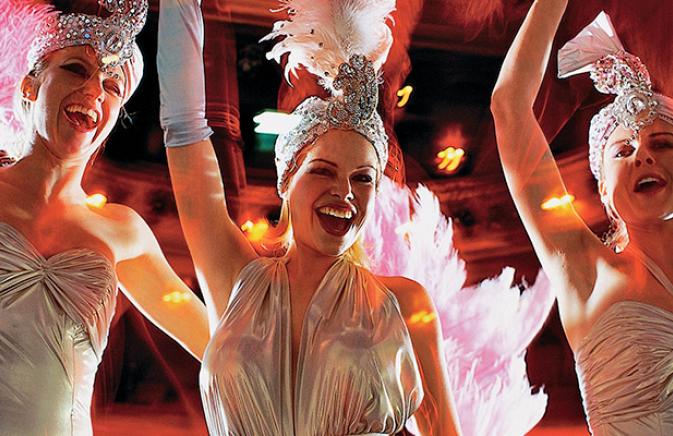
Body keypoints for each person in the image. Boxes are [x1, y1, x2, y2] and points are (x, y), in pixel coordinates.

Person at [157, 0, 462, 434]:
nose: (345, 193)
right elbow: (184, 129)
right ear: (286, 180)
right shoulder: (237, 283)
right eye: (322, 171)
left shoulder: (403, 304)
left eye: (364, 179)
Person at [0, 1, 209, 434]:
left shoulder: (123, 231)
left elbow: (222, 348)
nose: (95, 90)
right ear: (29, 86)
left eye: (113, 85)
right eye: (77, 69)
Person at [491, 0, 673, 433]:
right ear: (604, 190)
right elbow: (510, 108)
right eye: (623, 151)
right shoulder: (583, 267)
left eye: (663, 143)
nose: (644, 155)